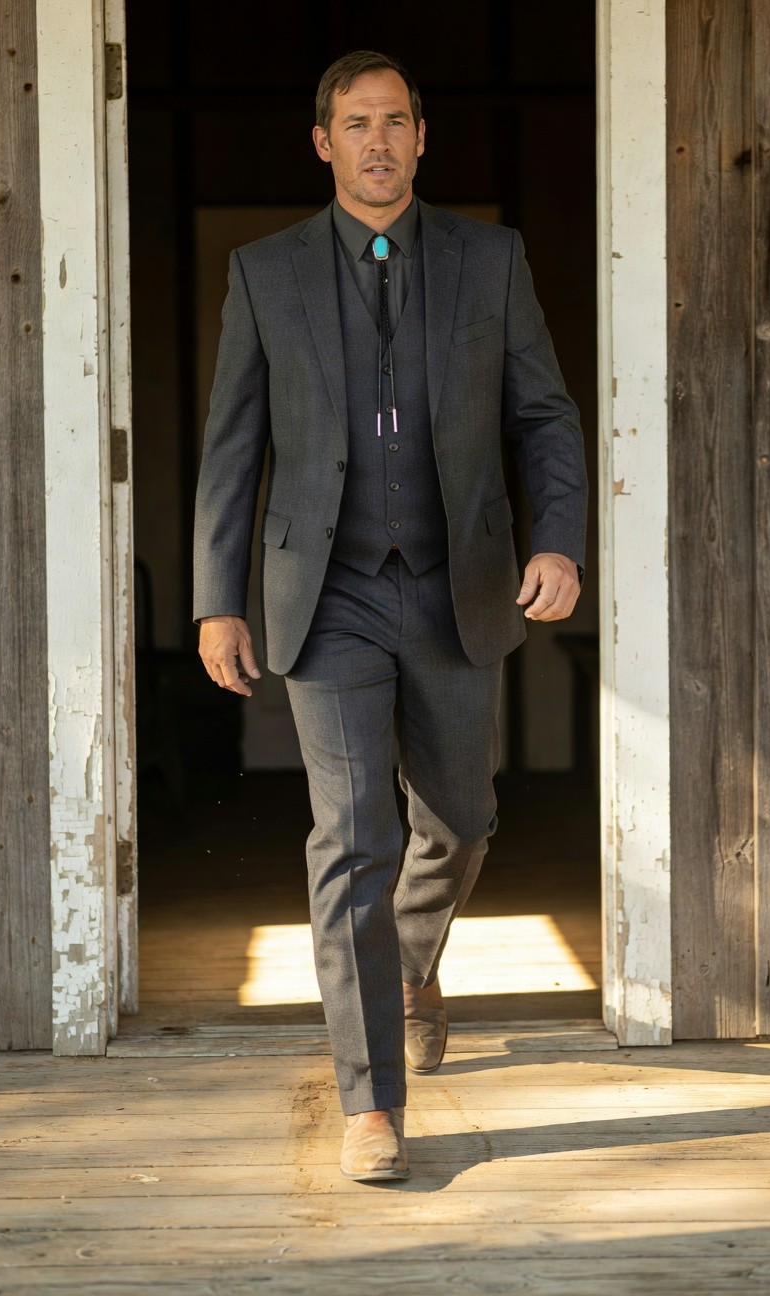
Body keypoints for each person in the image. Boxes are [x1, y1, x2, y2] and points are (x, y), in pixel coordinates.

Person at [193, 50, 587, 1183]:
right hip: (326, 597)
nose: (377, 140)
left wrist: (555, 537)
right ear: (323, 142)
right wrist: (220, 602)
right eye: (356, 122)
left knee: (461, 821)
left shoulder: (489, 259)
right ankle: (374, 1103)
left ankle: (413, 961)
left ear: (424, 137)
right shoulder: (264, 274)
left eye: (396, 121)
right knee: (352, 838)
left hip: (458, 586)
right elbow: (232, 453)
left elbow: (545, 417)